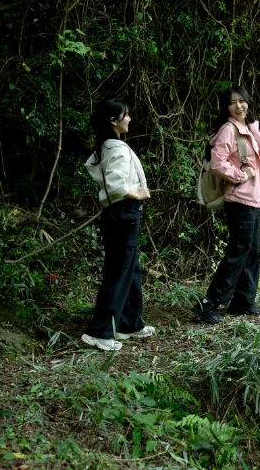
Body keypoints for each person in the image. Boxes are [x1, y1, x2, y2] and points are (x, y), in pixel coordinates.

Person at [81, 98, 155, 351]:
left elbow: (92, 168)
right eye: (126, 115)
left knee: (130, 269)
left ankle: (129, 323)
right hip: (124, 212)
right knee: (119, 272)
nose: (130, 119)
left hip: (116, 214)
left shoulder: (106, 147)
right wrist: (138, 194)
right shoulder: (119, 150)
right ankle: (99, 331)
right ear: (113, 121)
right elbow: (116, 185)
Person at [192, 85, 260, 324]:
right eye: (232, 103)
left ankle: (243, 301)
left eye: (242, 101)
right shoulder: (228, 129)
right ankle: (209, 304)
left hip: (253, 199)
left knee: (252, 252)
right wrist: (241, 175)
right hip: (240, 199)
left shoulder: (248, 127)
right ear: (226, 107)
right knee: (237, 252)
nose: (239, 106)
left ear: (248, 102)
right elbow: (217, 163)